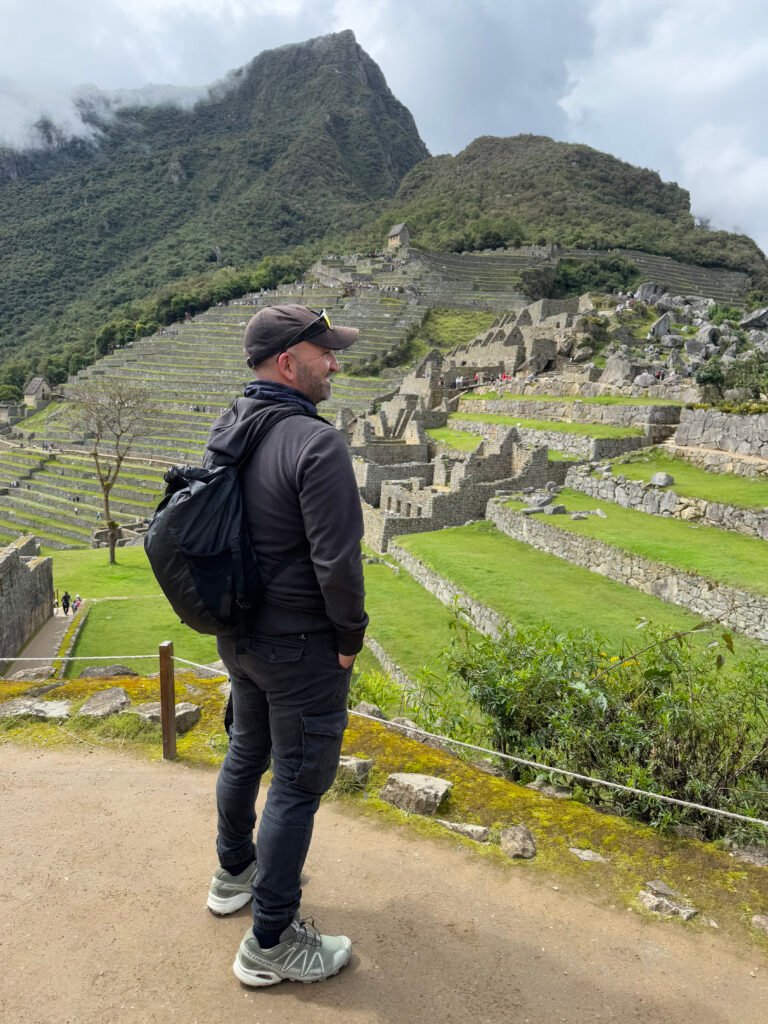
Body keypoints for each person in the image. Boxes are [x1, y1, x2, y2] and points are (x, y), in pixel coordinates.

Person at [203, 305, 368, 988]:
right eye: (323, 351)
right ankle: (270, 940)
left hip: (238, 637)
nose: (335, 362)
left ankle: (232, 871)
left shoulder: (229, 429)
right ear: (286, 363)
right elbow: (339, 563)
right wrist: (350, 640)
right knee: (298, 786)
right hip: (300, 646)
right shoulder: (314, 443)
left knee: (247, 750)